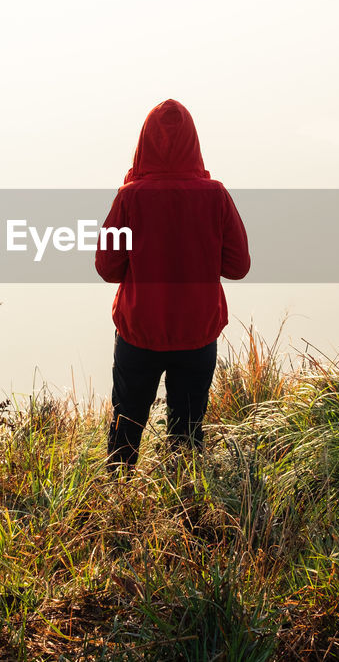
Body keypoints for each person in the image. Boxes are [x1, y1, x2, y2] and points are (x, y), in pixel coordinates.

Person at [95, 99, 250, 472]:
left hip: (139, 333)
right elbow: (238, 266)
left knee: (126, 428)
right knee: (187, 436)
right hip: (197, 336)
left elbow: (107, 267)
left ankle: (114, 512)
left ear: (143, 143)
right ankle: (185, 515)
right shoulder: (216, 196)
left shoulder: (130, 197)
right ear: (193, 143)